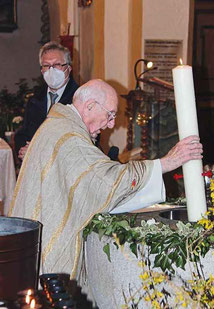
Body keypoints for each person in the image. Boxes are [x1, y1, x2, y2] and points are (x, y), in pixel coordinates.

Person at [9, 79, 203, 282]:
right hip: (46, 250)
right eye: (110, 114)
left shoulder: (59, 125)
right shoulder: (69, 138)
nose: (111, 124)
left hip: (29, 243)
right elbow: (107, 182)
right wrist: (167, 162)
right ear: (90, 106)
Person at [14, 41, 79, 159]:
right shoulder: (35, 100)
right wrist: (23, 149)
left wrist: (37, 151)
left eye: (57, 64)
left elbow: (82, 142)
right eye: (46, 66)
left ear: (69, 68)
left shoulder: (80, 98)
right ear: (42, 71)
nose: (51, 70)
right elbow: (24, 133)